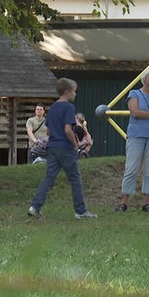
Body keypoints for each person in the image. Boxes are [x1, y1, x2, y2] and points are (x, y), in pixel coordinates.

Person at [27, 78, 97, 219]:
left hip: (52, 147)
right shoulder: (69, 108)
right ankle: (80, 211)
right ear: (67, 92)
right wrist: (75, 145)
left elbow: (48, 132)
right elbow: (67, 129)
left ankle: (35, 207)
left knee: (49, 178)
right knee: (75, 179)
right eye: (74, 91)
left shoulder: (53, 108)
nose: (75, 94)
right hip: (66, 148)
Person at [116, 67, 149, 213]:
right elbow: (135, 112)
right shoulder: (134, 93)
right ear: (145, 78)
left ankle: (146, 203)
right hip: (136, 135)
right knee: (131, 168)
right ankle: (124, 202)